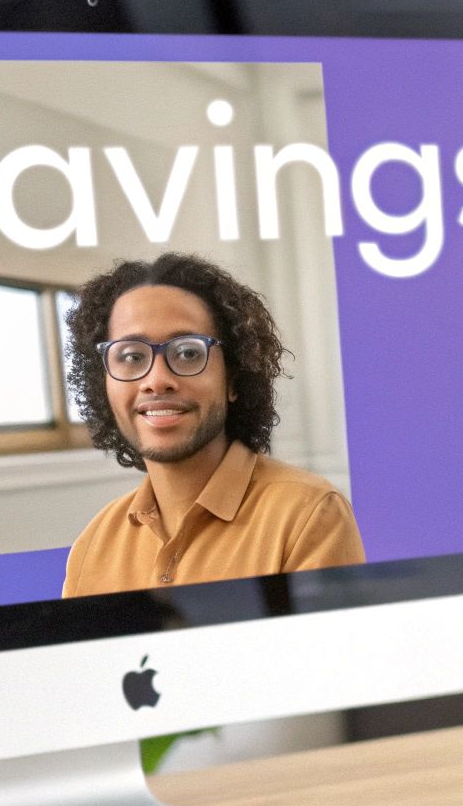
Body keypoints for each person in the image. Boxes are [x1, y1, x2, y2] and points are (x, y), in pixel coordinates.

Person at [61, 253, 365, 598]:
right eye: (131, 356)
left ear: (233, 378)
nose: (157, 380)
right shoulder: (93, 544)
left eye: (188, 353)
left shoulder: (307, 516)